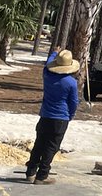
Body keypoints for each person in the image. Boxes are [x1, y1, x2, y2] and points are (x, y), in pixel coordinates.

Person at [25, 48, 80, 184]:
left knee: (39, 144)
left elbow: (48, 63)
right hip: (61, 117)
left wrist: (55, 52)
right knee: (51, 147)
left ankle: (30, 172)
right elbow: (73, 102)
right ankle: (42, 175)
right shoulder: (71, 83)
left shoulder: (47, 75)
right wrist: (71, 115)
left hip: (45, 115)